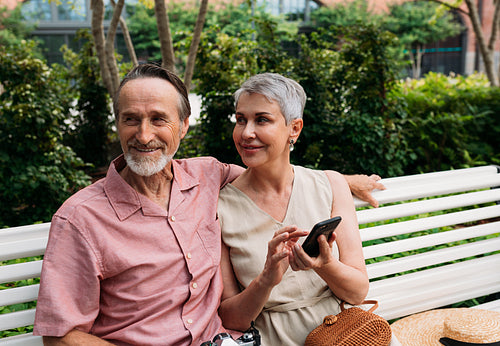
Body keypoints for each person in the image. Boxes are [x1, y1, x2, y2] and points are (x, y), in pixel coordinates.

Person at [33, 64, 384, 346]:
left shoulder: (207, 177)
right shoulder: (80, 218)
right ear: (118, 124)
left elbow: (273, 172)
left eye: (158, 119)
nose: (143, 135)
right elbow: (61, 335)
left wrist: (344, 182)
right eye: (130, 119)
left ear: (184, 126)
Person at [217, 73, 397, 346]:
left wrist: (325, 266)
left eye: (262, 120)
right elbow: (231, 319)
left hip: (345, 334)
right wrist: (265, 280)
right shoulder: (220, 207)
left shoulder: (331, 184)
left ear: (295, 128)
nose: (246, 133)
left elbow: (358, 292)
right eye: (240, 120)